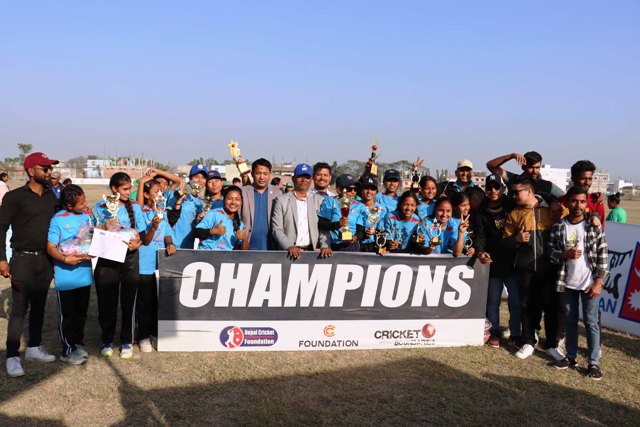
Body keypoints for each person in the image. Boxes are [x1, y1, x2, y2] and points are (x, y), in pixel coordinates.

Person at [1, 153, 60, 377]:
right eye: (45, 168)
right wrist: (1, 259)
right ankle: (12, 356)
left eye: (50, 168)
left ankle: (34, 347)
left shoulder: (52, 197)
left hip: (46, 260)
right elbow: (1, 228)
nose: (49, 172)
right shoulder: (14, 197)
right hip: (22, 259)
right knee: (19, 309)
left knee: (39, 306)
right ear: (31, 171)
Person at [502, 176, 566, 361]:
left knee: (551, 306)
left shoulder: (552, 208)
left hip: (551, 267)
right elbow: (505, 240)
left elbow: (574, 217)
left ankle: (552, 345)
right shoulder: (514, 213)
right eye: (512, 193)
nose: (513, 196)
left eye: (517, 192)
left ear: (529, 191)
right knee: (528, 305)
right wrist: (516, 239)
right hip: (525, 268)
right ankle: (528, 342)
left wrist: (594, 218)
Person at [549, 186, 608, 380]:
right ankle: (571, 357)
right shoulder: (559, 226)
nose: (578, 205)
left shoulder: (593, 225)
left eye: (582, 201)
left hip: (589, 283)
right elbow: (550, 252)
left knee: (591, 322)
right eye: (574, 201)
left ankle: (593, 363)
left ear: (586, 203)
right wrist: (564, 254)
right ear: (567, 202)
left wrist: (598, 281)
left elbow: (603, 254)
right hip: (567, 282)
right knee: (570, 321)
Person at [92, 172, 147, 359]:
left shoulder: (135, 207)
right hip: (107, 259)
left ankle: (126, 341)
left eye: (129, 188)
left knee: (129, 300)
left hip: (129, 258)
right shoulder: (100, 207)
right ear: (113, 189)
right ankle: (106, 340)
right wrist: (104, 226)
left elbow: (141, 233)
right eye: (124, 189)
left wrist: (137, 244)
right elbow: (92, 232)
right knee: (106, 301)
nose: (128, 192)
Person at [46, 184, 93, 365]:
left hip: (84, 275)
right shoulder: (58, 219)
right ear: (69, 205)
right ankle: (66, 351)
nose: (85, 204)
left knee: (81, 314)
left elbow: (92, 237)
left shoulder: (88, 216)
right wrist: (65, 259)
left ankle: (77, 344)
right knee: (67, 315)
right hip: (66, 277)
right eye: (81, 203)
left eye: (85, 200)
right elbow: (51, 247)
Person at [474, 174, 521, 348]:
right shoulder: (481, 211)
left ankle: (515, 333)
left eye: (496, 187)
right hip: (493, 263)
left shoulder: (512, 204)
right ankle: (494, 332)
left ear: (503, 188)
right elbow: (480, 236)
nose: (492, 190)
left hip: (512, 262)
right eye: (489, 187)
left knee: (515, 301)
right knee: (493, 301)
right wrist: (480, 252)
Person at [137, 179, 176, 353]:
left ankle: (153, 332)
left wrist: (170, 243)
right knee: (145, 303)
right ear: (146, 195)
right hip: (144, 266)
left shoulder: (163, 212)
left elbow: (167, 233)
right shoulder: (141, 213)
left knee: (157, 302)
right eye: (155, 192)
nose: (160, 195)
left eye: (161, 192)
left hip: (160, 265)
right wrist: (153, 227)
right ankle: (142, 336)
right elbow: (145, 241)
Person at [271, 163, 332, 260]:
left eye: (307, 177)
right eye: (300, 176)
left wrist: (325, 245)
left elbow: (324, 228)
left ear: (311, 180)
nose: (303, 180)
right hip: (288, 253)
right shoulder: (281, 200)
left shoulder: (320, 201)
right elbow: (277, 229)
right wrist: (289, 246)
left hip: (313, 253)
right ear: (293, 179)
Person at [486, 151, 564, 202]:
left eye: (537, 167)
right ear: (523, 167)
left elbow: (565, 198)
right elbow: (491, 166)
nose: (534, 171)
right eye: (531, 167)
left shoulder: (547, 185)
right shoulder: (514, 180)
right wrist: (511, 156)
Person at [318, 174, 366, 251]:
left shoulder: (360, 206)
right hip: (333, 246)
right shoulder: (330, 201)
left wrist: (355, 237)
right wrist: (338, 224)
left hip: (352, 246)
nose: (353, 192)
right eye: (349, 189)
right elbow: (322, 224)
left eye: (355, 189)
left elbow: (360, 230)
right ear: (339, 190)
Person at [240, 158, 279, 250]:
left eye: (265, 174)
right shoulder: (242, 192)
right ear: (252, 174)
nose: (262, 177)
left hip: (271, 246)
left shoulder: (278, 192)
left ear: (270, 174)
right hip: (246, 246)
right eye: (258, 173)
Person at [194, 185, 249, 250]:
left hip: (225, 256)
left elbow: (243, 252)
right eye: (229, 198)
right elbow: (195, 232)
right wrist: (212, 231)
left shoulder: (239, 224)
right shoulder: (214, 214)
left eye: (237, 199)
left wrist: (245, 239)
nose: (233, 202)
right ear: (224, 200)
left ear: (241, 202)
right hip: (205, 254)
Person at [169, 164, 207, 249]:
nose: (200, 180)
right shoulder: (178, 192)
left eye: (203, 177)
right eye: (196, 177)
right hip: (172, 245)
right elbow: (169, 217)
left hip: (188, 246)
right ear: (190, 178)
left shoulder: (201, 201)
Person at [558, 160, 605, 227]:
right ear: (573, 179)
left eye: (590, 179)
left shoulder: (597, 202)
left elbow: (600, 229)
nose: (587, 182)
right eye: (583, 179)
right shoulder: (560, 202)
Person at [358, 175, 386, 253]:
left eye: (372, 189)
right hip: (356, 244)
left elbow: (384, 230)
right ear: (361, 190)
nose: (369, 192)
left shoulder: (382, 209)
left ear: (376, 192)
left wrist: (375, 232)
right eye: (366, 188)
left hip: (375, 245)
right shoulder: (354, 205)